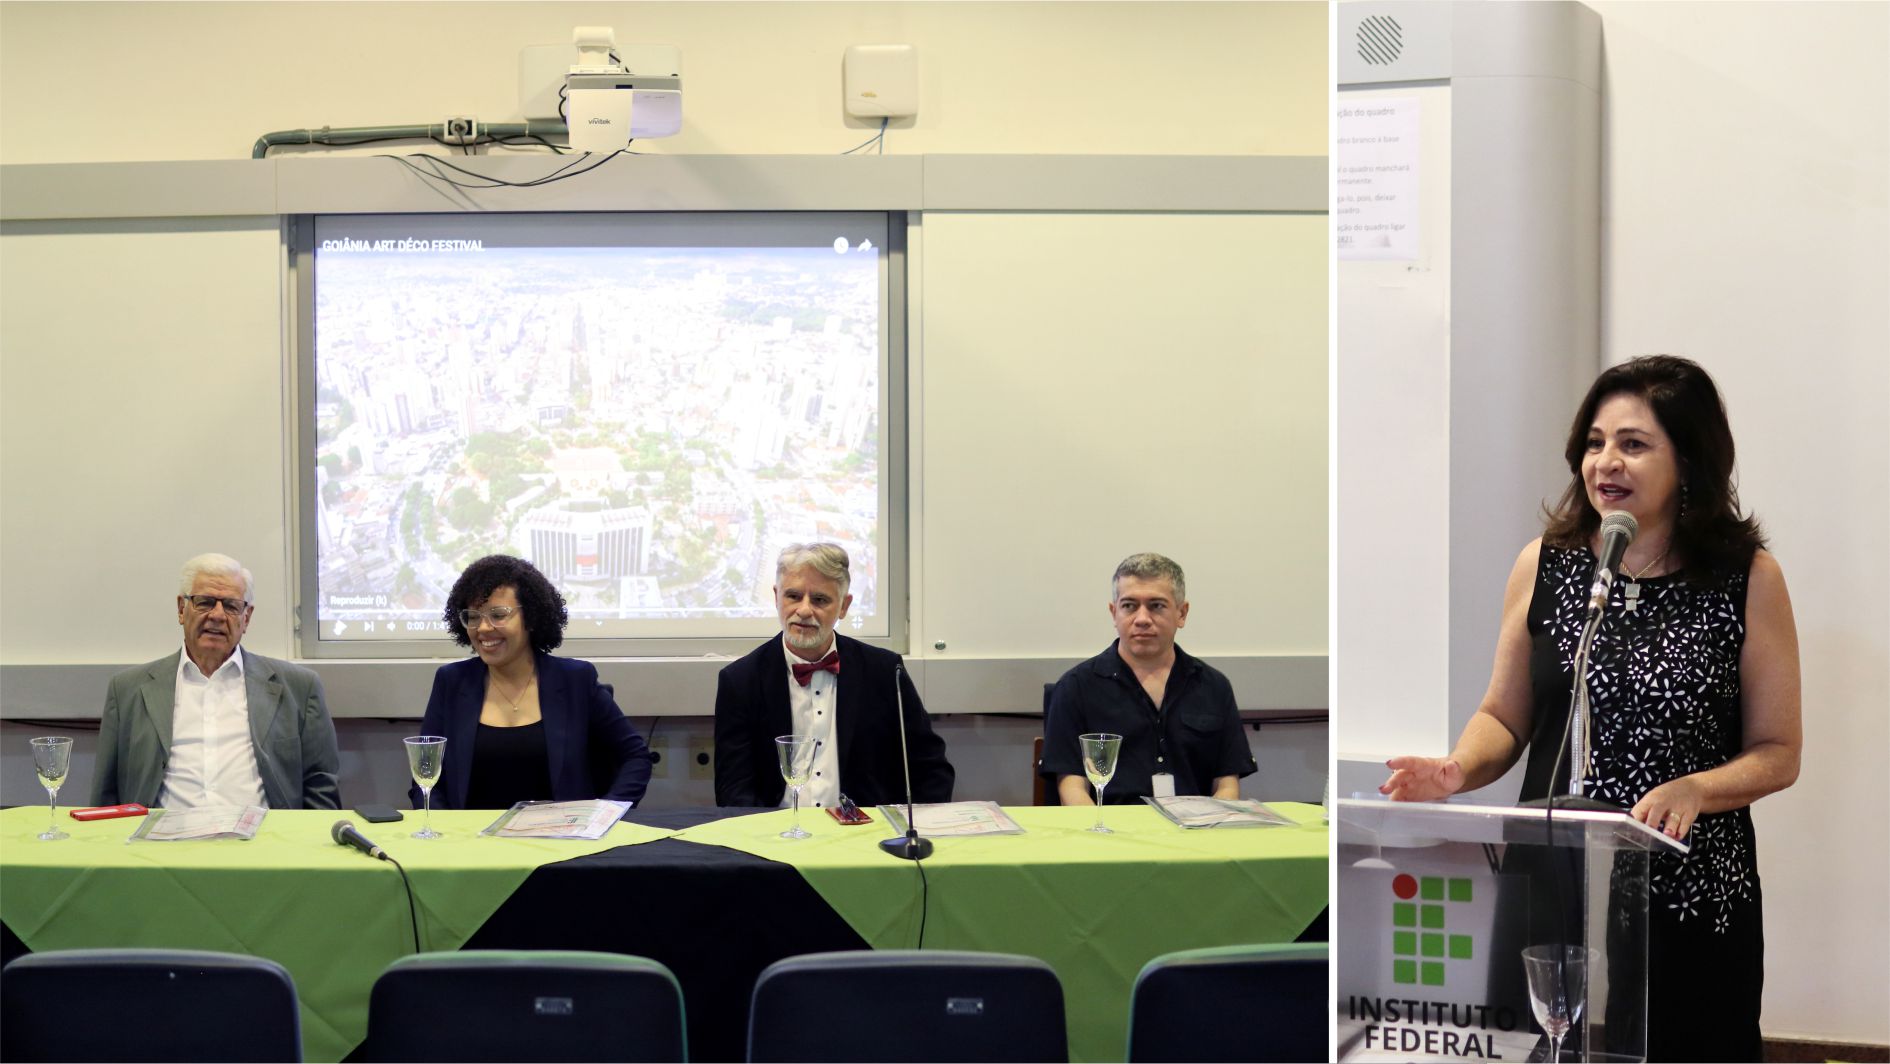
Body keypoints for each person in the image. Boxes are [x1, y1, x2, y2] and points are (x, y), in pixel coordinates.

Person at [1379, 355, 1801, 1062]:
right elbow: (1504, 717)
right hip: (1553, 873)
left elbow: (1779, 751)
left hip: (1691, 888)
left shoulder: (1747, 578)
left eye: (1634, 444)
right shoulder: (1545, 562)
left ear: (1689, 459)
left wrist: (1696, 789)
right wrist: (1457, 769)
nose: (1606, 462)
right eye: (1595, 442)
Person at [714, 542, 953, 810]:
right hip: (775, 828)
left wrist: (908, 827)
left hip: (865, 829)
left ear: (843, 606)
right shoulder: (740, 681)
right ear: (776, 597)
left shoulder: (885, 671)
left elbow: (930, 769)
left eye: (820, 600)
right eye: (793, 596)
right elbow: (733, 789)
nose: (804, 610)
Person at [93, 553, 341, 810]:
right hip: (160, 833)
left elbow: (321, 790)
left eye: (232, 606)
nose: (218, 615)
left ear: (246, 618)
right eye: (205, 603)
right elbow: (105, 797)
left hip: (264, 833)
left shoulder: (299, 688)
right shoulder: (127, 689)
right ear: (181, 609)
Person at [413, 554, 652, 809]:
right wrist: (442, 826)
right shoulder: (451, 681)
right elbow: (425, 776)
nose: (482, 628)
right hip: (470, 833)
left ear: (531, 618)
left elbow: (635, 757)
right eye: (473, 617)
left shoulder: (575, 680)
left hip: (561, 833)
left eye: (498, 615)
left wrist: (607, 813)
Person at [1043, 552, 1255, 805]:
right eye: (1129, 606)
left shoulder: (1214, 687)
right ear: (1114, 613)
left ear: (1182, 613)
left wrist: (1210, 826)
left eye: (1156, 606)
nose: (1142, 619)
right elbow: (1072, 790)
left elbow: (1227, 785)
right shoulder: (1075, 687)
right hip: (1109, 826)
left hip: (1195, 826)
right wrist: (1101, 830)